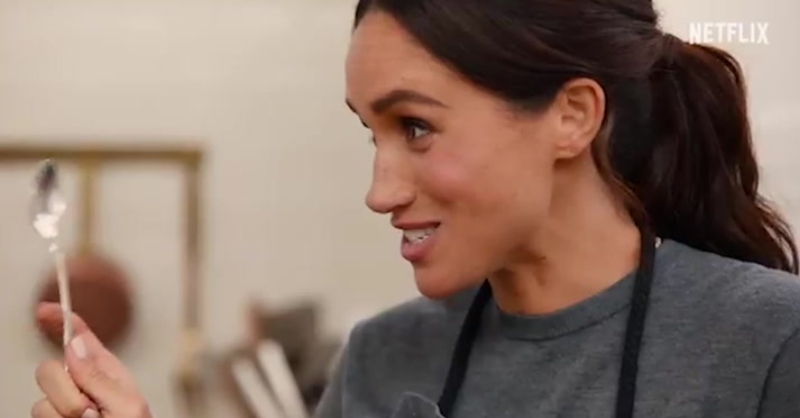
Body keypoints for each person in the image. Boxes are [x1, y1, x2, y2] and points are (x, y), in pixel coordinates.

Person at [29, 0, 800, 417]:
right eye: (373, 133)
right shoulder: (383, 359)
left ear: (572, 116)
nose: (380, 191)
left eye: (417, 127)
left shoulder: (769, 343)